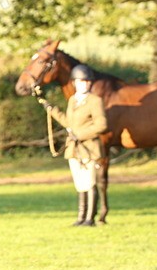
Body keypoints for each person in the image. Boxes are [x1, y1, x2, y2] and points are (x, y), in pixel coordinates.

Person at [34, 64, 108, 226]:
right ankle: (81, 216)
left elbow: (101, 125)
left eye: (88, 81)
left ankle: (90, 218)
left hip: (89, 148)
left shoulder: (95, 101)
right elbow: (69, 122)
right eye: (82, 81)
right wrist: (51, 109)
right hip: (73, 148)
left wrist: (80, 135)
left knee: (90, 182)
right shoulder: (73, 100)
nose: (85, 84)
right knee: (80, 182)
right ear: (75, 82)